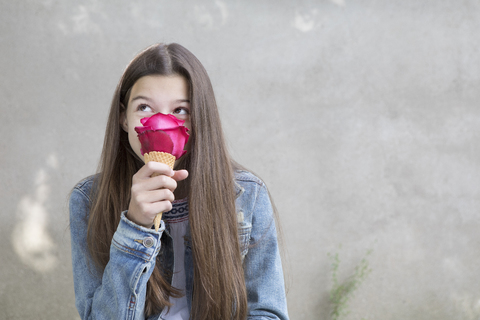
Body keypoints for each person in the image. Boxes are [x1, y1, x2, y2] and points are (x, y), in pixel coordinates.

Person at [69, 43, 289, 320]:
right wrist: (136, 226)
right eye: (144, 107)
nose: (162, 122)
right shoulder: (89, 199)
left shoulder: (248, 194)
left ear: (200, 118)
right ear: (124, 118)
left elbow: (268, 313)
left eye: (180, 110)